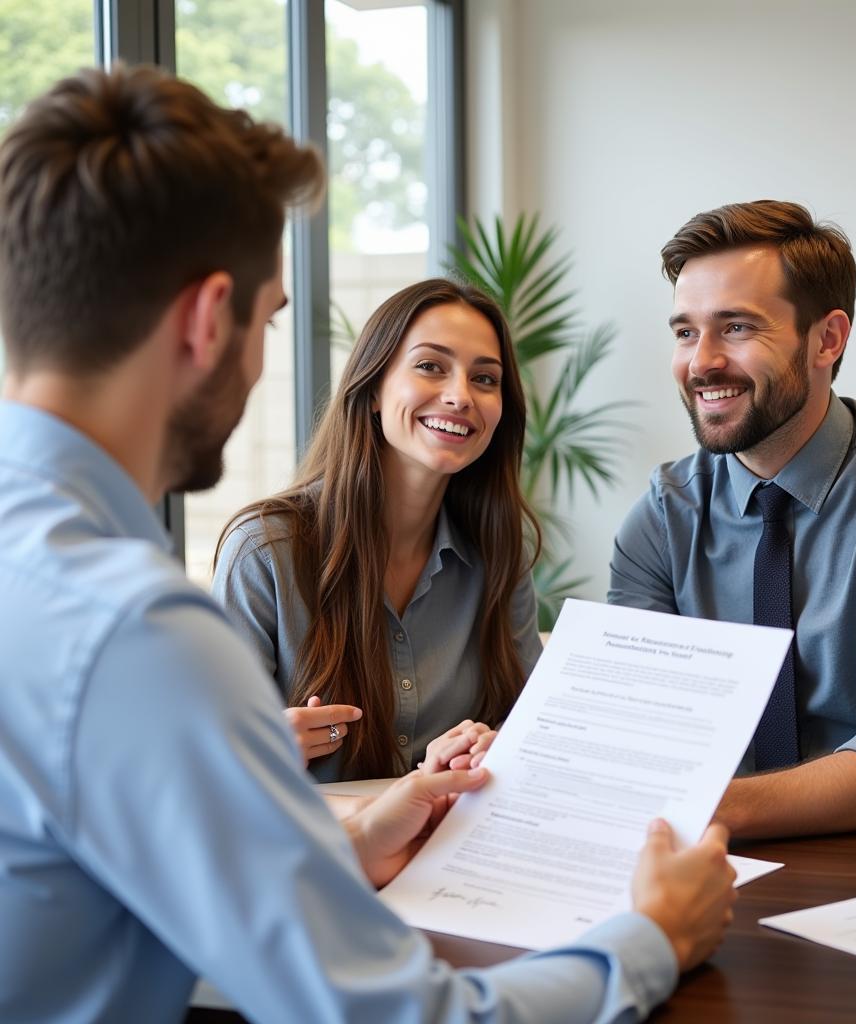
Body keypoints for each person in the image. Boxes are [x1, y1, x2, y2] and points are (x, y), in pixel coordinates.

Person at [0, 64, 736, 1023]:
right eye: (268, 319)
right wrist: (653, 939)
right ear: (204, 318)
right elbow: (397, 1015)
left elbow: (151, 883)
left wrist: (354, 844)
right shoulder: (135, 632)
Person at [609, 199, 856, 840]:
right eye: (685, 332)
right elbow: (636, 729)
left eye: (736, 327)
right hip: (727, 867)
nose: (702, 362)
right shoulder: (664, 516)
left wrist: (706, 813)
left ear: (827, 339)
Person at [212, 279, 541, 782]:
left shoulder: (500, 550)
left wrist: (489, 747)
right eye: (431, 366)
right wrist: (257, 750)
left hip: (445, 848)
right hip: (314, 853)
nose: (460, 396)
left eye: (485, 378)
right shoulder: (264, 551)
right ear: (373, 390)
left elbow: (533, 728)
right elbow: (203, 769)